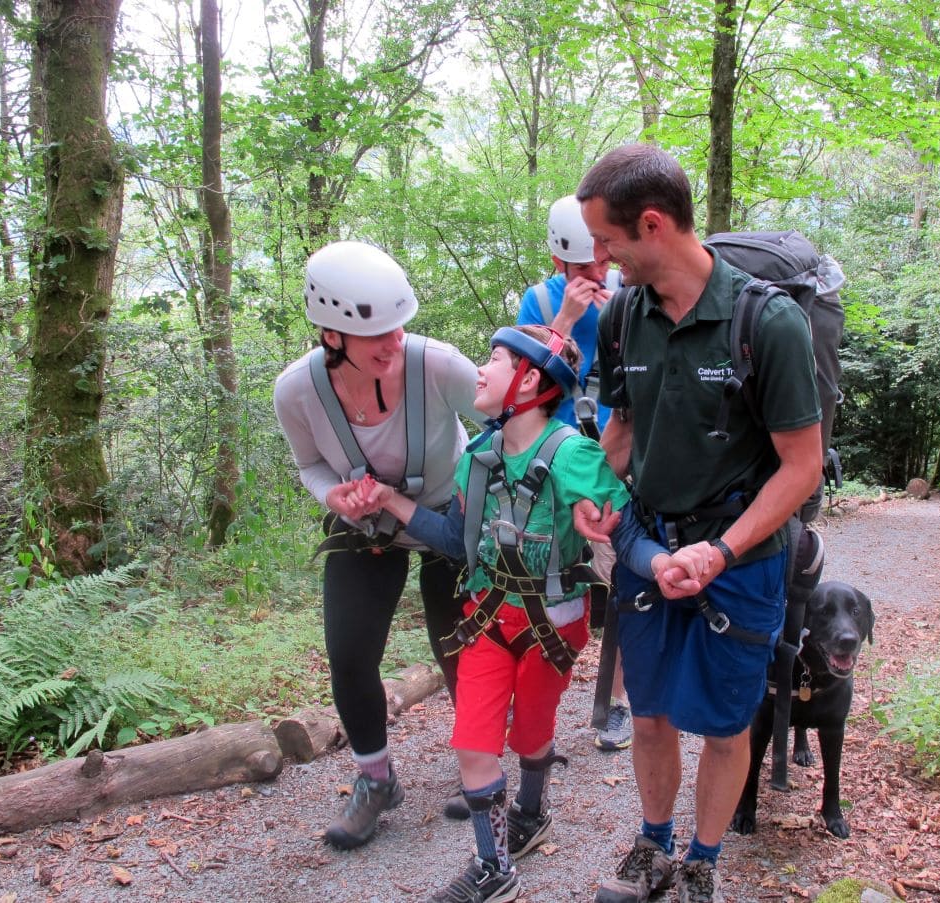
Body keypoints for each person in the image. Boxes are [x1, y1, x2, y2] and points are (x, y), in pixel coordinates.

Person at [576, 145, 826, 903]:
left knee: (724, 725)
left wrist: (721, 550)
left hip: (740, 562)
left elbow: (801, 465)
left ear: (652, 225)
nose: (599, 257)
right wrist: (592, 493)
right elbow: (620, 432)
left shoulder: (767, 322)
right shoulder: (625, 314)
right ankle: (653, 845)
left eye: (607, 240)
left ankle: (702, 858)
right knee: (648, 714)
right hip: (649, 550)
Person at [343, 325, 669, 903]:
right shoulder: (477, 458)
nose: (481, 370)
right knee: (473, 739)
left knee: (532, 734)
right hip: (487, 617)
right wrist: (391, 500)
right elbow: (453, 538)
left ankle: (533, 808)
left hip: (552, 624)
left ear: (531, 380)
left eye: (494, 359)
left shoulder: (575, 456)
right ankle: (493, 866)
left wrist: (661, 563)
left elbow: (628, 530)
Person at [272, 240, 483, 851]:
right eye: (376, 339)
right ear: (331, 335)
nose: (394, 345)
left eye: (399, 329)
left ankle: (479, 762)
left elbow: (509, 423)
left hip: (447, 512)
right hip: (368, 528)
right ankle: (375, 776)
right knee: (349, 651)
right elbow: (309, 465)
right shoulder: (297, 393)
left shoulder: (438, 366)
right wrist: (333, 498)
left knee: (457, 644)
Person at [517, 194, 632, 753]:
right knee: (541, 585)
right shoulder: (537, 301)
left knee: (622, 581)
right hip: (550, 463)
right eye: (586, 268)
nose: (599, 273)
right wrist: (564, 321)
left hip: (612, 461)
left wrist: (617, 313)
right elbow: (522, 386)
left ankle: (615, 703)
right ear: (560, 261)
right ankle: (536, 711)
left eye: (605, 260)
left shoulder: (629, 297)